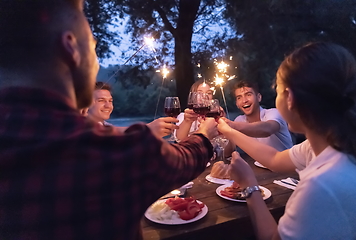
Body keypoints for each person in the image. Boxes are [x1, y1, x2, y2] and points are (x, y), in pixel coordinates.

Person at [0, 1, 219, 239]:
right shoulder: (114, 152)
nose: (96, 65)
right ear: (70, 48)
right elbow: (184, 159)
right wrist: (205, 134)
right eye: (93, 48)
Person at [217, 42, 356, 239]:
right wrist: (229, 131)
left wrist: (249, 184)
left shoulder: (319, 187)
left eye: (277, 90)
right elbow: (275, 158)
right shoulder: (329, 145)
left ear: (289, 98)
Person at [88, 81, 180, 138]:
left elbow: (117, 131)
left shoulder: (105, 125)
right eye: (101, 101)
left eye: (110, 101)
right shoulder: (81, 130)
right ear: (85, 103)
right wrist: (147, 130)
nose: (108, 106)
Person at [225, 80, 293, 152]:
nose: (244, 100)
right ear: (237, 104)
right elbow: (227, 152)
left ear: (259, 97)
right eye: (239, 97)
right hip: (257, 163)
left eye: (248, 95)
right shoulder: (239, 120)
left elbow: (268, 129)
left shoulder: (274, 113)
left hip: (287, 162)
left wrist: (234, 126)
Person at [175, 80, 234, 157]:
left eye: (208, 93)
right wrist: (187, 121)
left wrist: (225, 129)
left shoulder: (215, 118)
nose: (204, 96)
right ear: (193, 97)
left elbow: (228, 153)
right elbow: (179, 142)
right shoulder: (184, 116)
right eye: (199, 93)